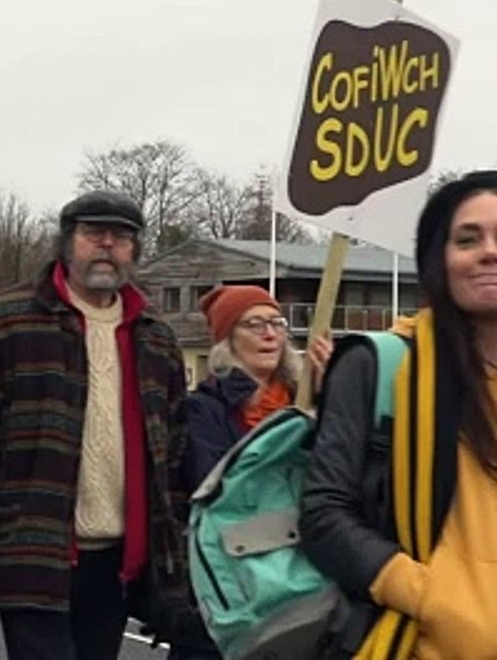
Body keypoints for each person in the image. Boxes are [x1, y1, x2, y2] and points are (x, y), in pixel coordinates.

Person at [0, 190, 194, 660]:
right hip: (31, 554)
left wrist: (171, 574)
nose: (107, 246)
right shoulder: (5, 324)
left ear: (134, 250)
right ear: (66, 242)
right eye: (94, 234)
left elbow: (172, 464)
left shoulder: (157, 338)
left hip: (118, 564)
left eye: (121, 238)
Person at [301, 171, 497, 659]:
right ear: (438, 260)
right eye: (467, 239)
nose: (489, 251)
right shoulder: (379, 364)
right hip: (415, 644)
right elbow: (323, 513)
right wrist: (427, 596)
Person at [180, 286, 333, 490]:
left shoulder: (303, 398)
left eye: (277, 323)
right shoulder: (205, 409)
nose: (270, 334)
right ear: (228, 340)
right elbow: (213, 486)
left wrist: (330, 394)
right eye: (255, 325)